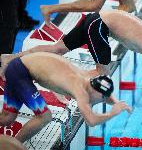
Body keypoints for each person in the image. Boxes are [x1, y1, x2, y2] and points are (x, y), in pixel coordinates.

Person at [1, 9, 142, 79]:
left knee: (57, 49)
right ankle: (67, 86)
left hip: (96, 19)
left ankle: (9, 58)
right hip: (99, 25)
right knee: (102, 73)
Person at [0, 52, 132, 142]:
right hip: (20, 72)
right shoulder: (79, 89)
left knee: (7, 118)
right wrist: (112, 113)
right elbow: (91, 121)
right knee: (45, 117)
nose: (103, 100)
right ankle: (13, 148)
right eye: (103, 98)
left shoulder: (90, 81)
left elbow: (103, 92)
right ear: (95, 91)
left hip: (19, 68)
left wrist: (116, 102)